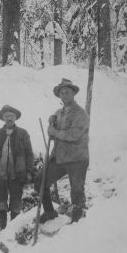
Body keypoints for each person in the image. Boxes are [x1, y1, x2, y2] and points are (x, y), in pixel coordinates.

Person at [35, 78, 90, 224]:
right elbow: (53, 136)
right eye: (61, 93)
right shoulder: (58, 113)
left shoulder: (81, 113)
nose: (64, 95)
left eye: (67, 92)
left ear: (73, 94)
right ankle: (49, 212)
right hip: (59, 157)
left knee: (76, 191)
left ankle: (77, 221)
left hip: (77, 158)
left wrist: (54, 131)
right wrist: (51, 125)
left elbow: (73, 135)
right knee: (40, 180)